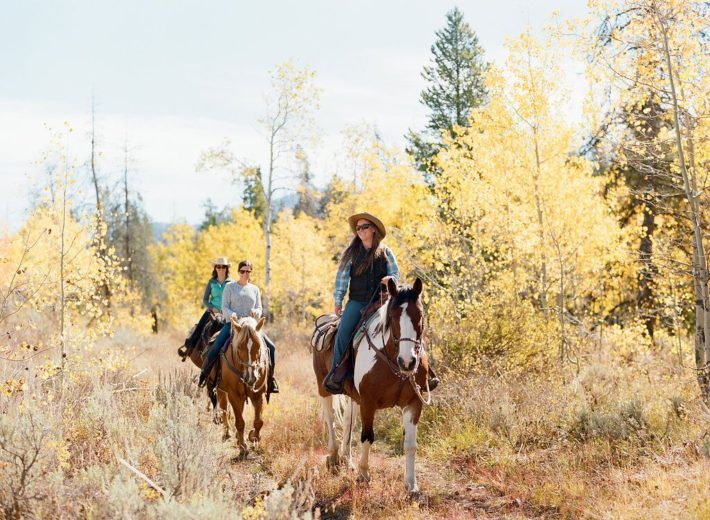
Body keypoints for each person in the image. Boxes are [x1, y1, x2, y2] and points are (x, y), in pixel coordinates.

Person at [323, 211, 439, 394]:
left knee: (407, 326)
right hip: (357, 301)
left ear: (373, 230)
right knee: (343, 332)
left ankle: (424, 374)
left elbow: (396, 274)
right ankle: (337, 373)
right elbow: (342, 279)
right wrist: (338, 300)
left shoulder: (385, 252)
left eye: (364, 227)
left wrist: (389, 279)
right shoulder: (351, 254)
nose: (360, 230)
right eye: (358, 228)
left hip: (383, 301)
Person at [198, 260, 279, 395]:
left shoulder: (255, 289)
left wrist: (256, 312)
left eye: (248, 271)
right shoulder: (230, 287)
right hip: (233, 325)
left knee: (271, 347)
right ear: (238, 272)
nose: (245, 274)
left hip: (251, 327)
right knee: (215, 346)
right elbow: (224, 307)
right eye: (242, 271)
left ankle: (270, 380)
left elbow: (259, 307)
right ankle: (205, 375)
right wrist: (232, 314)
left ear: (250, 272)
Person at [179, 257, 233, 359]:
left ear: (226, 269)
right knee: (199, 327)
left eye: (223, 267)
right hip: (212, 311)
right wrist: (212, 308)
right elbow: (205, 300)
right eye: (218, 267)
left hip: (227, 313)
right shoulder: (211, 282)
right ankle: (189, 348)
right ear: (215, 268)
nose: (221, 269)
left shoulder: (232, 283)